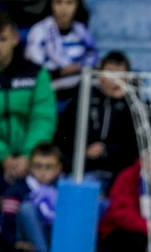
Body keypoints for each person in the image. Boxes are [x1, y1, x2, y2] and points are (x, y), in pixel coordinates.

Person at [54, 50, 140, 191]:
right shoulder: (82, 100)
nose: (115, 80)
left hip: (116, 173)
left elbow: (134, 146)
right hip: (81, 169)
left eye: (120, 74)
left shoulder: (133, 106)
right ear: (100, 76)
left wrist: (106, 150)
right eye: (111, 73)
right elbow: (63, 136)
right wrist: (85, 151)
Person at [0, 11, 56, 186]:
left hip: (30, 160)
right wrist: (4, 156)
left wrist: (28, 155)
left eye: (2, 39)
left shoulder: (36, 74)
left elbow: (43, 119)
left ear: (15, 39)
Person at [1, 141, 63, 252]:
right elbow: (7, 221)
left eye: (49, 167)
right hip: (25, 239)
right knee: (27, 208)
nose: (43, 172)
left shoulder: (61, 189)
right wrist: (14, 242)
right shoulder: (18, 189)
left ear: (58, 169)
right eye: (38, 166)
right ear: (30, 167)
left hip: (52, 237)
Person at [24, 0, 96, 104]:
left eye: (69, 3)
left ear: (77, 6)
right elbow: (33, 69)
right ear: (51, 5)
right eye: (58, 2)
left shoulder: (81, 30)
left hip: (78, 88)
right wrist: (60, 73)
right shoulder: (38, 31)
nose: (64, 8)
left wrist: (79, 67)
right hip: (47, 87)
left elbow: (92, 56)